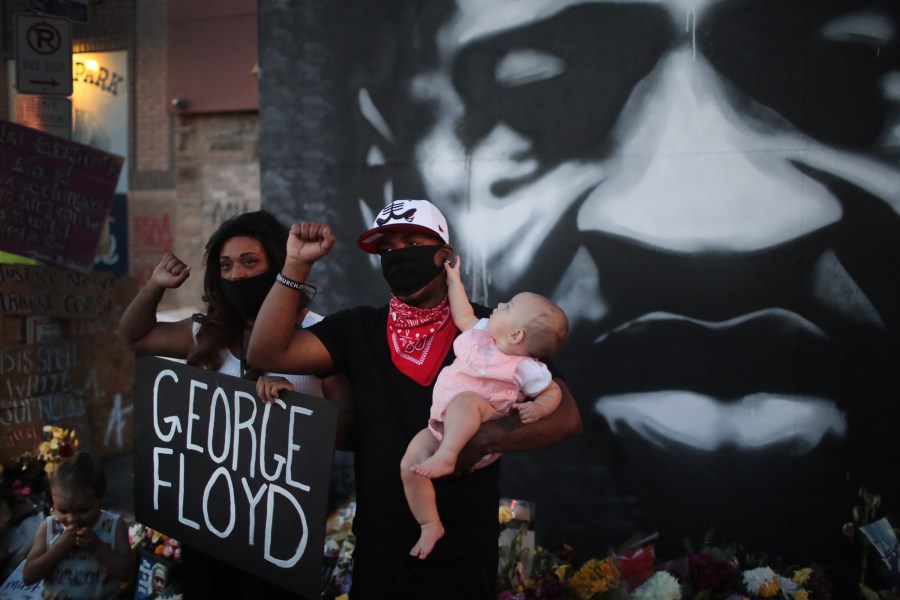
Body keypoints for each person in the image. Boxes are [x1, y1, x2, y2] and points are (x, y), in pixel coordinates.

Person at [247, 198, 582, 599]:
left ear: (444, 255)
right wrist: (296, 266)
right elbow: (265, 353)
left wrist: (486, 439)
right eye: (387, 249)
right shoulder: (357, 328)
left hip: (463, 552)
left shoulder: (490, 329)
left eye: (411, 243)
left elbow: (565, 416)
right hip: (379, 550)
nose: (398, 256)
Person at [119, 209, 350, 598]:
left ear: (278, 264)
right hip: (211, 520)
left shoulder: (317, 336)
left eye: (249, 262)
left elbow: (347, 426)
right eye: (226, 265)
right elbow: (135, 336)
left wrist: (293, 411)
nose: (236, 275)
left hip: (281, 525)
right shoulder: (207, 333)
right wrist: (156, 285)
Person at [401, 254, 569, 559]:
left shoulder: (525, 367)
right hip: (441, 424)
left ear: (516, 335)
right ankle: (429, 523)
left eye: (507, 307)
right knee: (408, 464)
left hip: (483, 422)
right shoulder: (481, 332)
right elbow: (462, 311)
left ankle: (447, 457)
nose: (499, 304)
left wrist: (541, 408)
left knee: (466, 401)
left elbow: (552, 391)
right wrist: (454, 281)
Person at [22, 452, 133, 598]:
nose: (71, 519)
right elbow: (28, 576)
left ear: (101, 498)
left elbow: (127, 573)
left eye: (82, 510)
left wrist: (98, 547)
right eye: (62, 510)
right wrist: (60, 548)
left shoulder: (114, 526)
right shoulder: (49, 528)